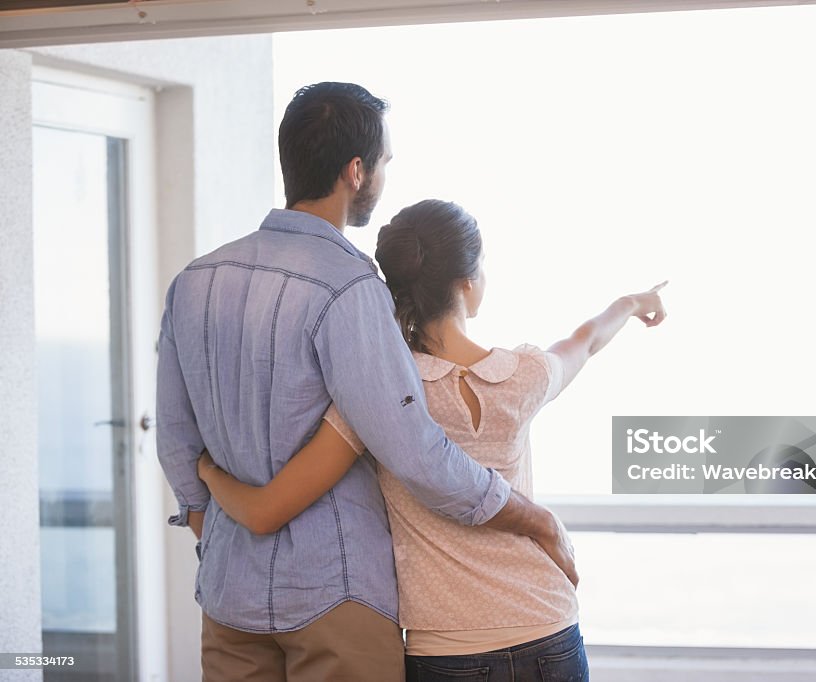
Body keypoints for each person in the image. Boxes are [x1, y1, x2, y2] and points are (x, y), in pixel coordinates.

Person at [155, 83, 574, 682]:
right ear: (356, 171)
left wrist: (214, 532)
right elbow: (417, 453)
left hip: (228, 595)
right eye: (383, 162)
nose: (383, 174)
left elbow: (175, 438)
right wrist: (534, 519)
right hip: (337, 594)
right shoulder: (350, 287)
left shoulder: (195, 281)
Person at [197, 199, 668, 681]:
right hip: (547, 625)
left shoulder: (376, 395)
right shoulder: (524, 376)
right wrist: (631, 304)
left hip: (448, 648)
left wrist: (208, 472)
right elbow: (585, 340)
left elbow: (266, 510)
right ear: (467, 282)